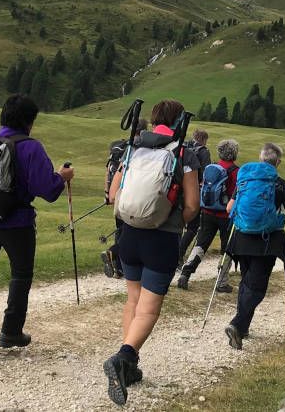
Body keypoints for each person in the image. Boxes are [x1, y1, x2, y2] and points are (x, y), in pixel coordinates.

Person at [0, 94, 74, 361]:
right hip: (16, 223)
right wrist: (62, 176)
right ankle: (10, 332)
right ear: (29, 121)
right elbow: (48, 190)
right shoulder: (31, 147)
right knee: (20, 276)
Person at [103, 99, 200, 406]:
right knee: (149, 308)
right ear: (178, 120)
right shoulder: (183, 152)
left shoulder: (134, 146)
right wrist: (171, 221)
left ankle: (129, 365)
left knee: (133, 300)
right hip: (162, 239)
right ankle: (123, 358)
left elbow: (112, 196)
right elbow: (193, 206)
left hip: (129, 235)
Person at [223, 143, 285, 350]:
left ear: (260, 158)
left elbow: (230, 207)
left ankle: (243, 327)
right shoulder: (279, 183)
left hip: (241, 238)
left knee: (247, 282)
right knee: (256, 287)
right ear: (278, 162)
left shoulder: (245, 179)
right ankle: (237, 324)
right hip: (265, 242)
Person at [177, 138, 240, 292]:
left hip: (207, 212)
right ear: (234, 153)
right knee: (227, 249)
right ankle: (221, 282)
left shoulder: (211, 168)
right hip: (226, 215)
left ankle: (185, 273)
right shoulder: (237, 171)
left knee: (200, 244)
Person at [100, 118, 148, 279]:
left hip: (117, 196)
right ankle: (114, 254)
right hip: (132, 197)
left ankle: (119, 268)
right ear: (144, 130)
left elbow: (109, 171)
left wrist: (108, 193)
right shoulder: (142, 147)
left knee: (121, 230)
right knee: (130, 233)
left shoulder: (120, 147)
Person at [178, 129, 212, 261]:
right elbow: (206, 174)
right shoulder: (204, 152)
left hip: (179, 189)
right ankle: (179, 255)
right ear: (204, 139)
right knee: (192, 227)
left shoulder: (184, 146)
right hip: (194, 190)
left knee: (178, 223)